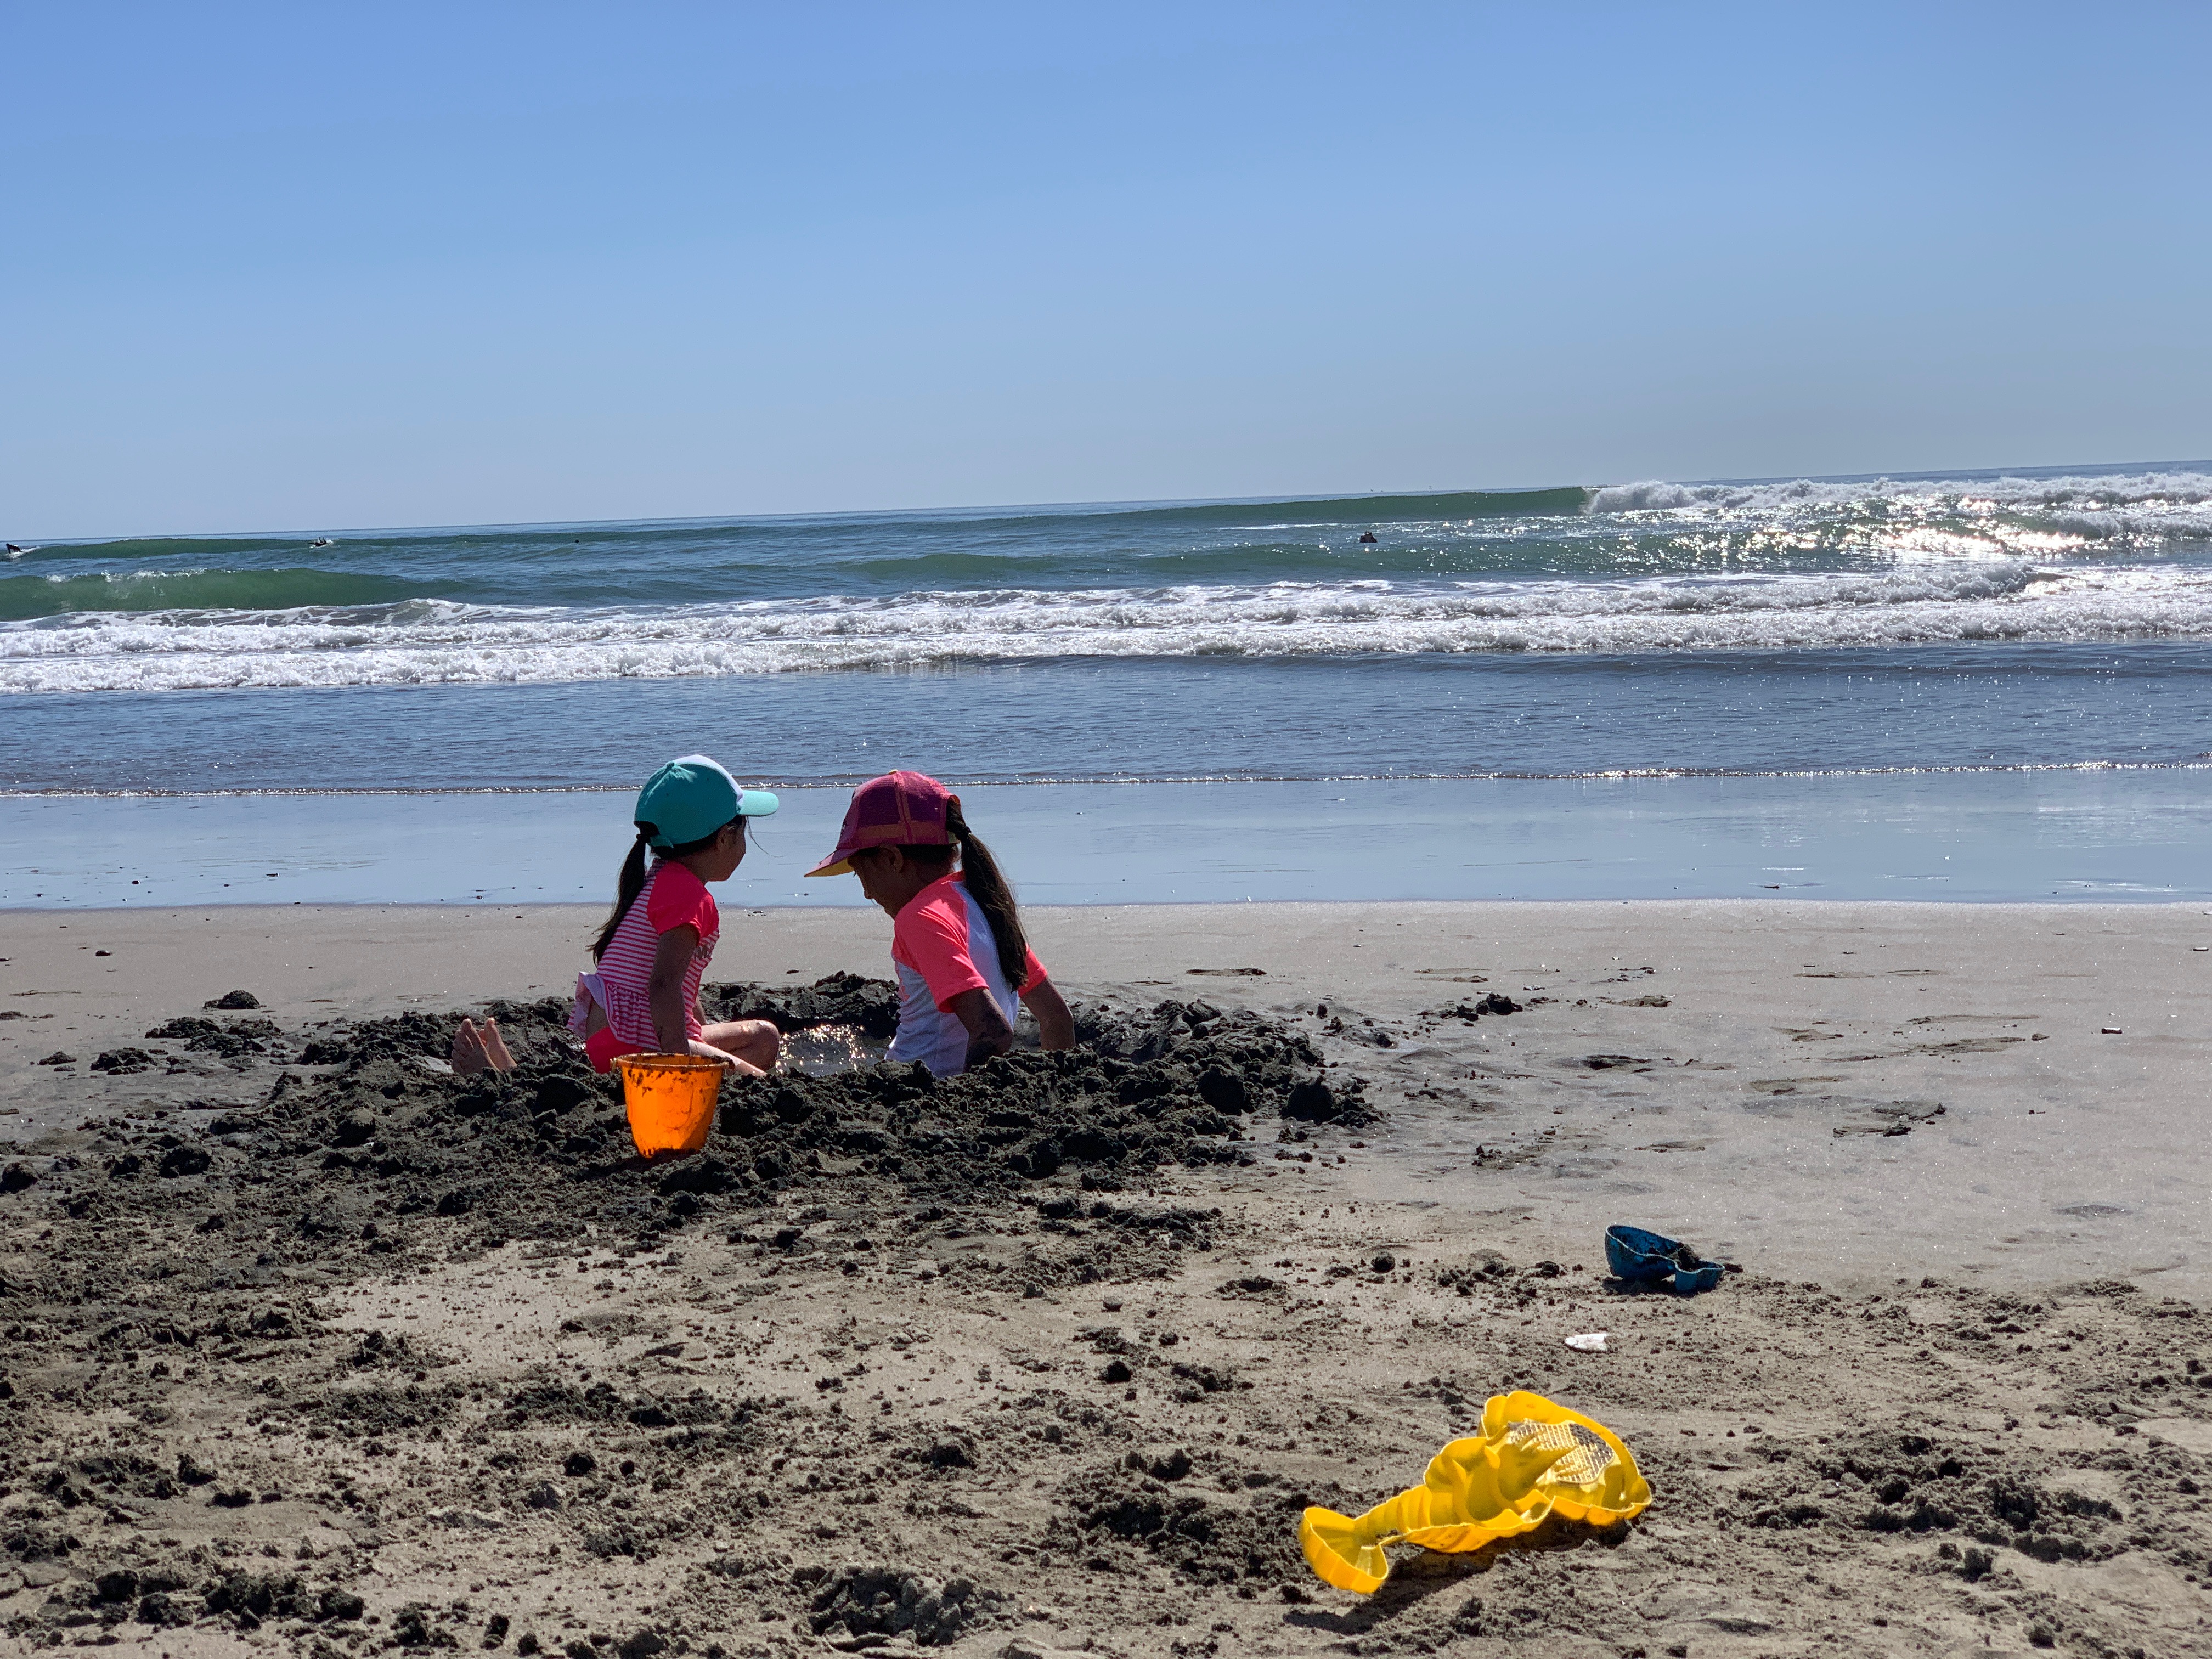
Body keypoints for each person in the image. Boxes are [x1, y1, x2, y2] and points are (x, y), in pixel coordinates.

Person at [806, 770, 1074, 1075]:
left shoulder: (920, 917)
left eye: (861, 874)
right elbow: (1057, 1018)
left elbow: (993, 1032)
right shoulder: (985, 902)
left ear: (892, 859)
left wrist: (965, 1103)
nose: (867, 893)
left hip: (919, 1089)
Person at [566, 754, 783, 1075]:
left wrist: (702, 1044)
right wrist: (683, 1065)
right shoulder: (690, 896)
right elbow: (663, 986)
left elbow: (678, 987)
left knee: (765, 1037)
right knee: (762, 1084)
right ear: (724, 839)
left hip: (615, 1036)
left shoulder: (660, 878)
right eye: (743, 832)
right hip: (636, 1044)